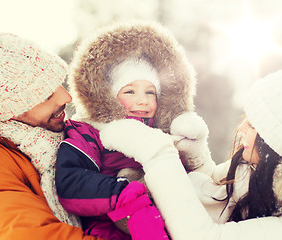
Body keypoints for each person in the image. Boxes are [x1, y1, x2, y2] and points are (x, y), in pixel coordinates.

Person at [98, 48, 282, 240]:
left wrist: (157, 153)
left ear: (280, 145)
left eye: (255, 128)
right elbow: (217, 188)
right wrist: (196, 156)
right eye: (247, 120)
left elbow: (202, 235)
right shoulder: (267, 167)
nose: (242, 133)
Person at [54, 21, 197, 240]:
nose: (142, 101)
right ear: (108, 97)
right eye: (130, 91)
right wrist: (121, 191)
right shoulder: (90, 132)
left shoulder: (160, 133)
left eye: (150, 92)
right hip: (108, 226)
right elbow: (71, 182)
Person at [0, 32, 102, 239]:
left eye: (59, 84)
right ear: (8, 110)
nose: (67, 97)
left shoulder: (67, 140)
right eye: (46, 95)